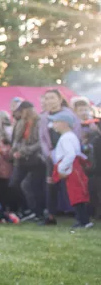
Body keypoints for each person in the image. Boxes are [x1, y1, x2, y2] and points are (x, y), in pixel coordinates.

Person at [38, 89, 81, 225]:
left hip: (67, 155)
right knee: (50, 185)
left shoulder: (69, 115)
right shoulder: (44, 117)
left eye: (52, 97)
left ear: (60, 99)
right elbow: (42, 138)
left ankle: (80, 216)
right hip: (51, 156)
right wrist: (48, 153)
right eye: (47, 98)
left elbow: (76, 134)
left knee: (71, 185)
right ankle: (50, 216)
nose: (49, 101)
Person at [48, 110, 91, 229]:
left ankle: (83, 221)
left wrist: (62, 169)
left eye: (56, 122)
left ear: (65, 123)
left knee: (76, 195)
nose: (54, 125)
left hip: (71, 169)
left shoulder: (66, 138)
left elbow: (70, 154)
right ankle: (82, 220)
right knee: (75, 194)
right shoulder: (69, 136)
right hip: (72, 168)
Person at [9, 101, 43, 220]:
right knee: (14, 183)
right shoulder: (20, 123)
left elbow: (40, 142)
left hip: (35, 158)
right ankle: (26, 208)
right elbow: (17, 139)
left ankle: (37, 211)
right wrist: (14, 150)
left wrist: (25, 151)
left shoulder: (39, 122)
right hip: (21, 159)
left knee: (31, 185)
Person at [71, 97, 100, 218]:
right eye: (80, 110)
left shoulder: (94, 124)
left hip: (95, 158)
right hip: (83, 157)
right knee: (87, 186)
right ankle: (91, 209)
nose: (83, 112)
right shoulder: (75, 125)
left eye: (85, 109)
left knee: (95, 185)